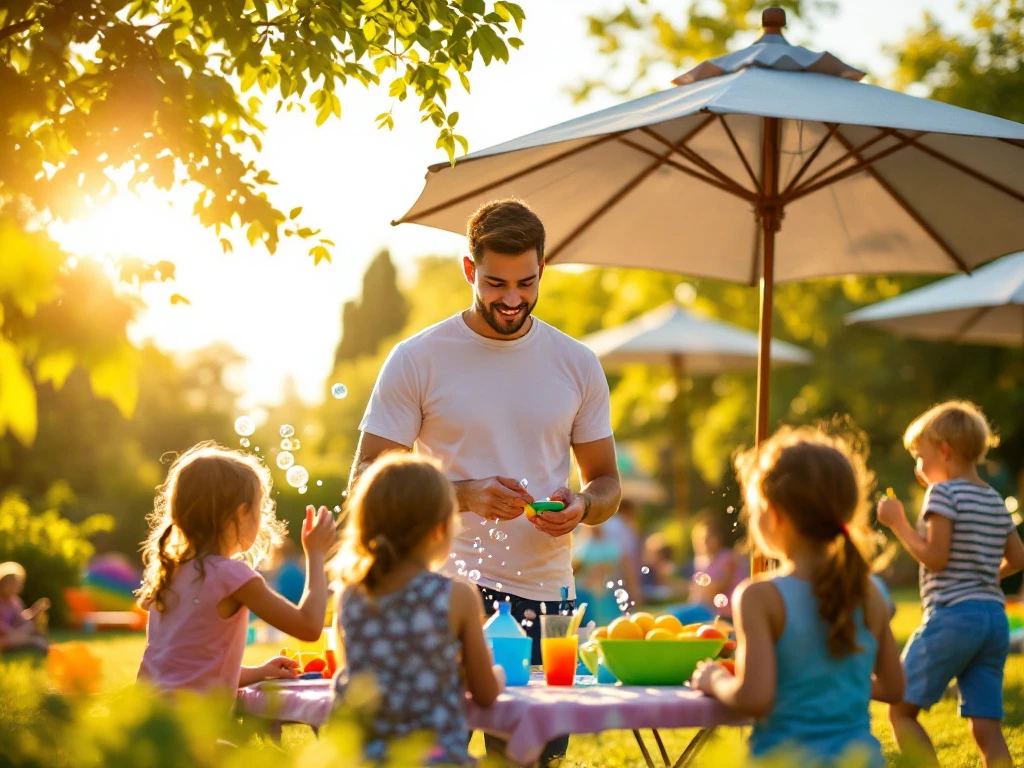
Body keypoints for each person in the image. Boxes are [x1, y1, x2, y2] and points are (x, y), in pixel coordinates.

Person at [349, 199, 621, 765]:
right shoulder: (417, 359)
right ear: (469, 270)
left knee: (527, 762)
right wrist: (463, 496)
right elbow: (366, 482)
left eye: (527, 282)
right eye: (497, 283)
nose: (513, 299)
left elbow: (606, 483)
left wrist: (583, 506)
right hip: (438, 590)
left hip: (546, 599)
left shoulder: (577, 363)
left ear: (543, 269)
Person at [691, 426, 904, 766]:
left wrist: (713, 678)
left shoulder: (760, 596)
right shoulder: (871, 591)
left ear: (774, 514)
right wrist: (832, 680)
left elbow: (755, 698)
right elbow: (894, 689)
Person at [331, 452, 504, 765]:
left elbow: (359, 672)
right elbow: (486, 693)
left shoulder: (349, 596)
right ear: (440, 528)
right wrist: (499, 676)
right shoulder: (457, 596)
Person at [878, 401, 1024, 768]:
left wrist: (899, 525)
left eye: (919, 456)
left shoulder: (942, 494)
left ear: (943, 450)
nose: (918, 467)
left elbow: (935, 557)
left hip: (953, 617)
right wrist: (985, 577)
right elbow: (1019, 559)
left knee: (900, 709)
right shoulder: (993, 498)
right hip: (993, 619)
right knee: (986, 728)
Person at [136, 441, 337, 694]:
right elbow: (308, 627)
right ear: (241, 514)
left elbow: (187, 670)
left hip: (148, 716)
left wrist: (261, 672)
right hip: (192, 727)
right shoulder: (232, 576)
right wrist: (316, 554)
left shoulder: (170, 573)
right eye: (259, 509)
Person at [0, 562, 50, 653]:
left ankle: (45, 645)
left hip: (14, 635)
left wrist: (35, 611)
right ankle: (37, 643)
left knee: (31, 628)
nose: (17, 586)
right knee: (30, 634)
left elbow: (23, 619)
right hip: (4, 638)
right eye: (13, 583)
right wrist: (16, 634)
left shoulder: (15, 600)